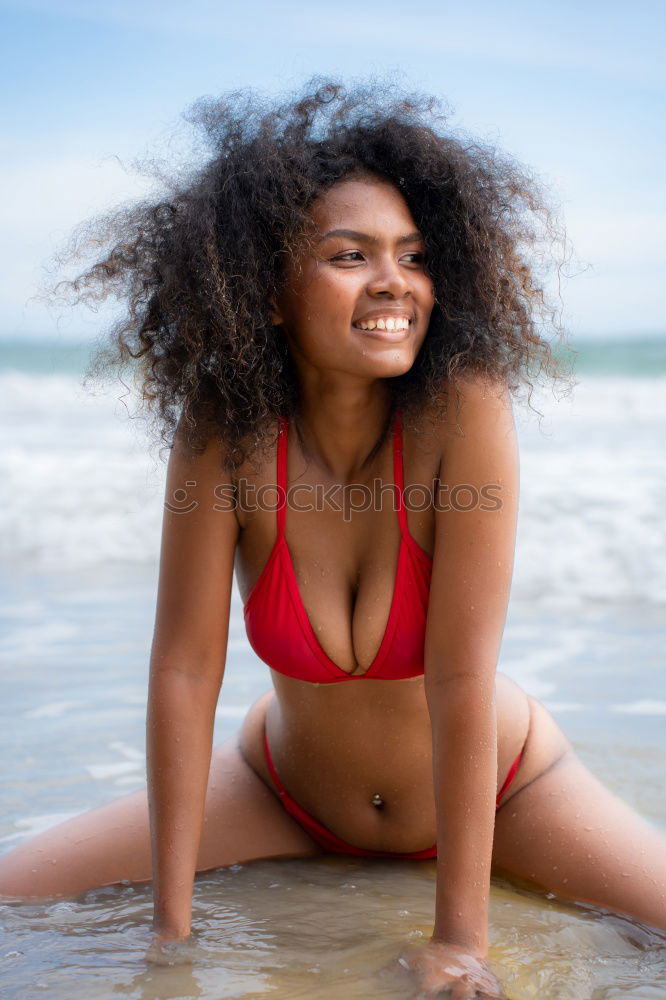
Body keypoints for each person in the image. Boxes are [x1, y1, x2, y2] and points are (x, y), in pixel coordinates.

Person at [2, 80, 665, 999]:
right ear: (266, 293)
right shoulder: (225, 429)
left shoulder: (462, 410)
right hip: (284, 793)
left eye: (415, 255)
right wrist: (169, 934)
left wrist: (461, 942)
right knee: (11, 902)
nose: (395, 280)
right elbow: (185, 673)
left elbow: (461, 679)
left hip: (507, 792)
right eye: (351, 255)